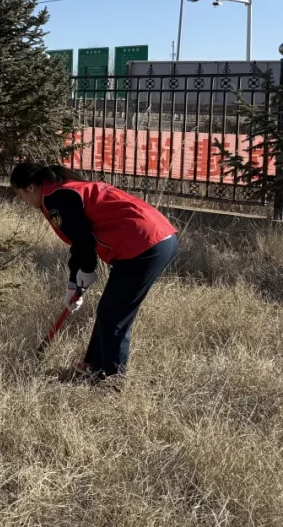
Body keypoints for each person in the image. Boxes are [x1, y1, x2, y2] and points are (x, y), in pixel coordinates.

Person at [10, 161, 179, 381]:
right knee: (109, 309)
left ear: (30, 188)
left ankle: (109, 380)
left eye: (20, 195)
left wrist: (86, 271)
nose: (23, 202)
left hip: (145, 243)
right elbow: (79, 242)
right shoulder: (65, 189)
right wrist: (74, 284)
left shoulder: (55, 199)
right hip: (154, 237)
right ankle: (94, 365)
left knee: (114, 316)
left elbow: (83, 240)